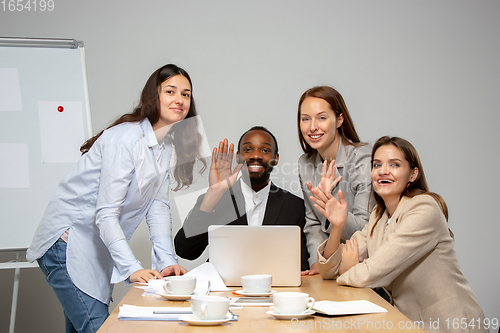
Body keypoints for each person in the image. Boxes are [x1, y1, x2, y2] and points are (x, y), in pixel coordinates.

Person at [26, 64, 206, 333]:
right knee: (101, 328)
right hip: (67, 243)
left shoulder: (165, 147)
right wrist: (132, 268)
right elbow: (106, 214)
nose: (179, 100)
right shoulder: (125, 139)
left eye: (186, 94)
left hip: (95, 247)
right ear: (153, 96)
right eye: (170, 91)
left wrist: (168, 261)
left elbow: (157, 207)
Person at [312, 136, 486, 332]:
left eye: (394, 165)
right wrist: (337, 226)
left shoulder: (424, 208)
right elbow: (328, 270)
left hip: (450, 324)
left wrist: (346, 271)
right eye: (377, 165)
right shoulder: (378, 216)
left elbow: (372, 273)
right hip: (409, 322)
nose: (383, 171)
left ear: (413, 174)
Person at [174, 126, 310, 271]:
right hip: (224, 290)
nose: (255, 155)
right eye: (248, 150)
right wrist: (214, 192)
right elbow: (185, 251)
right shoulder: (215, 199)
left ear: (276, 159)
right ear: (238, 157)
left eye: (265, 150)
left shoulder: (296, 207)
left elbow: (302, 267)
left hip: (277, 289)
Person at [297, 86, 373, 275]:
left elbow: (364, 230)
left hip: (363, 265)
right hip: (330, 265)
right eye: (305, 119)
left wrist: (329, 202)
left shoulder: (363, 160)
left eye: (322, 118)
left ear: (339, 120)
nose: (312, 127)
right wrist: (317, 262)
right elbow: (313, 223)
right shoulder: (305, 164)